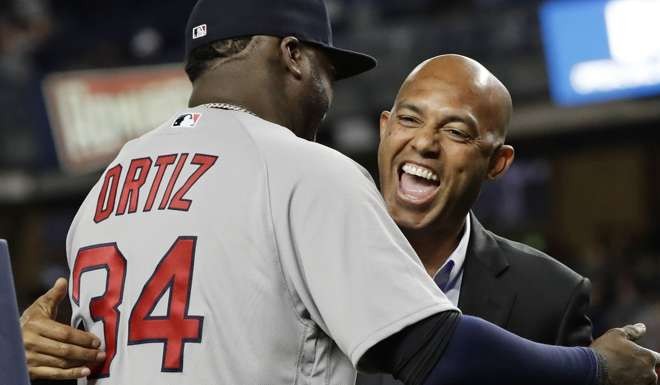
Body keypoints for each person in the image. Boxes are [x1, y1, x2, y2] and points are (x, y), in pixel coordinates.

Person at [19, 0, 660, 384]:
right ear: (294, 56)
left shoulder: (105, 190)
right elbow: (432, 350)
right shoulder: (301, 168)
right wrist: (596, 370)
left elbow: (70, 353)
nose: (328, 95)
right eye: (327, 70)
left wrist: (22, 354)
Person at [357, 54, 594, 385]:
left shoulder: (553, 296)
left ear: (497, 162)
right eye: (410, 120)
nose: (424, 143)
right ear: (385, 128)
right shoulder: (314, 261)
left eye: (455, 131)